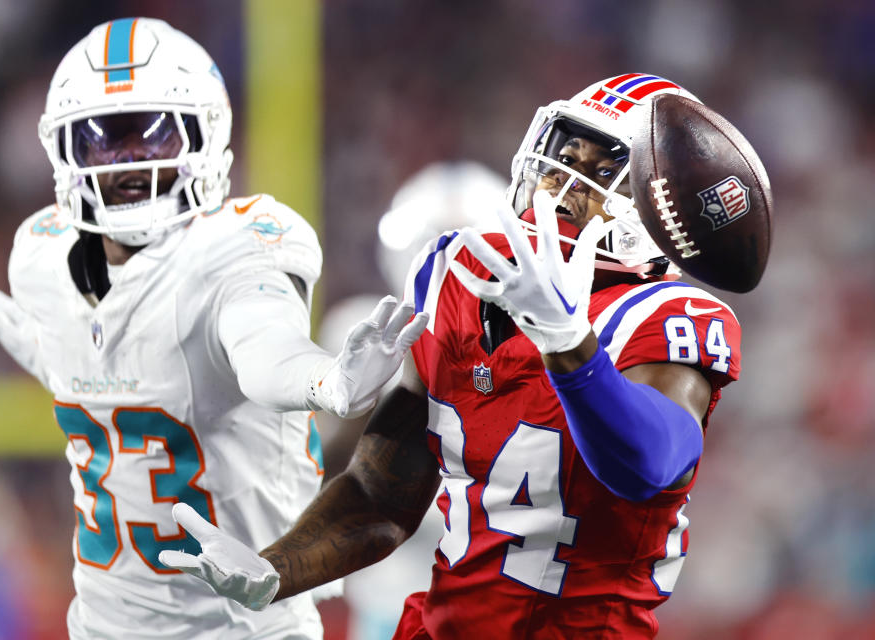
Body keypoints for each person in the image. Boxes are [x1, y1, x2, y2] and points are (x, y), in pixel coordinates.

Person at [159, 73, 746, 639]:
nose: (562, 183)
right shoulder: (457, 278)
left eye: (600, 171)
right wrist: (274, 571)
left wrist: (568, 344)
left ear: (654, 208)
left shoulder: (669, 317)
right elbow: (380, 495)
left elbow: (644, 466)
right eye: (565, 154)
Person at [0, 18, 425, 640]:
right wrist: (67, 360)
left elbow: (265, 353)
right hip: (103, 624)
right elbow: (146, 370)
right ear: (65, 151)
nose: (128, 158)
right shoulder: (42, 258)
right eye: (102, 139)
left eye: (152, 134)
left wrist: (324, 380)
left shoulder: (234, 249)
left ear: (205, 134)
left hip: (241, 626)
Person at [316, 161, 508, 639]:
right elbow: (318, 464)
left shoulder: (532, 346)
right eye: (441, 244)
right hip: (392, 591)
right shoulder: (364, 332)